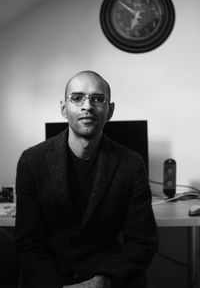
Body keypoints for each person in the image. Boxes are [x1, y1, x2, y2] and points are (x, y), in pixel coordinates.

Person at [15, 71, 158, 288]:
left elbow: (142, 242)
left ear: (110, 110)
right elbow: (28, 242)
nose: (88, 106)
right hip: (49, 274)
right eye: (77, 98)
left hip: (108, 274)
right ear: (64, 108)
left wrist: (103, 280)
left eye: (98, 98)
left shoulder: (132, 164)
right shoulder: (32, 161)